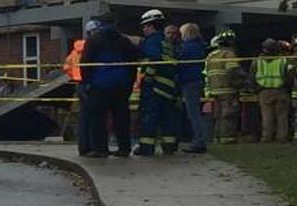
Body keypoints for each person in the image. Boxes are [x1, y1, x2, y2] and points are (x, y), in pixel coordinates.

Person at [80, 16, 139, 157]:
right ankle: (124, 148)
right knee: (121, 118)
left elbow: (86, 64)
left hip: (99, 85)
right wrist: (129, 84)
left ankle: (100, 149)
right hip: (121, 85)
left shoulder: (93, 41)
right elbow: (133, 64)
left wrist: (87, 83)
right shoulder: (124, 41)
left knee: (98, 118)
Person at [134, 9, 180, 156]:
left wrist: (148, 78)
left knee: (150, 116)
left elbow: (153, 60)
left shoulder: (152, 40)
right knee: (168, 117)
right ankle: (169, 146)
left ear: (151, 26)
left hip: (154, 86)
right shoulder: (165, 42)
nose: (144, 29)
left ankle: (146, 148)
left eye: (145, 26)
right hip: (168, 87)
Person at [205, 30, 245, 144]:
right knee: (229, 115)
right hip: (228, 89)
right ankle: (228, 139)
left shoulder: (211, 56)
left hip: (214, 90)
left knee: (218, 116)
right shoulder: (229, 54)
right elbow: (233, 71)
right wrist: (242, 83)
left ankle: (217, 138)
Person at [177, 23, 209, 154]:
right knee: (195, 112)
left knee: (193, 113)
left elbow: (180, 64)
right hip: (196, 80)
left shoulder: (187, 48)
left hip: (189, 82)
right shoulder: (200, 46)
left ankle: (199, 141)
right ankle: (199, 139)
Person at [252, 38, 290, 143]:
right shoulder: (283, 60)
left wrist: (255, 89)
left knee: (266, 116)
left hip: (264, 91)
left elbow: (252, 75)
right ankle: (282, 137)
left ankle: (266, 137)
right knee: (282, 116)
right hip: (280, 90)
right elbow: (288, 75)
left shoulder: (257, 61)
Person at [63, 25, 90, 155]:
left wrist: (74, 75)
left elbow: (66, 66)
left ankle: (83, 146)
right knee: (95, 116)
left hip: (79, 84)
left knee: (83, 116)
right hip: (90, 83)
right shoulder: (91, 48)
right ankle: (93, 145)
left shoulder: (75, 51)